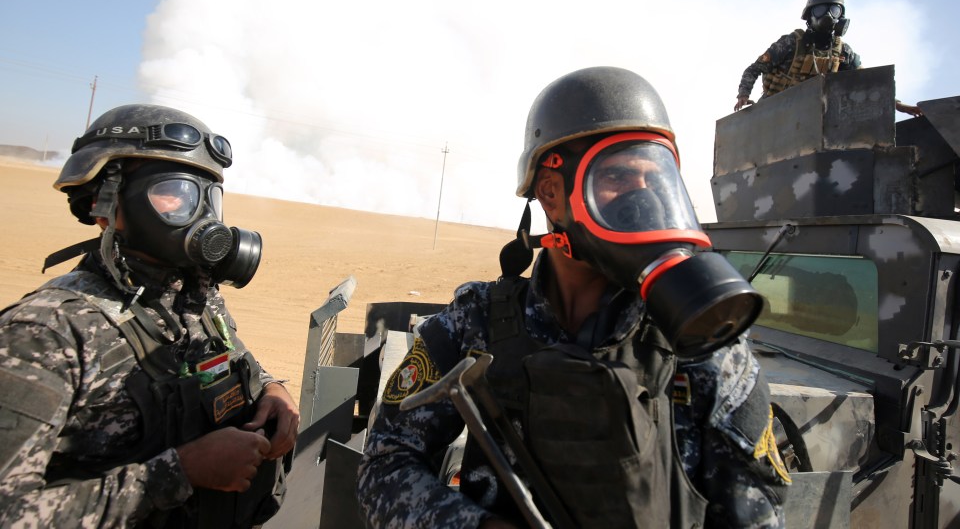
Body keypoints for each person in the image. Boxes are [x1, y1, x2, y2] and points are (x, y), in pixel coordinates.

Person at [357, 66, 791, 528]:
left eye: (655, 178)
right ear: (551, 193)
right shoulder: (474, 322)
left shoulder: (705, 341)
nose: (643, 199)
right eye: (619, 176)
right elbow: (385, 464)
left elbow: (757, 507)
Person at [0, 104, 300, 527]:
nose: (202, 215)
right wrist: (179, 473)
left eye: (208, 196)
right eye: (176, 192)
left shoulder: (195, 296)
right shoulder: (45, 334)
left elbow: (225, 360)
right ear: (105, 203)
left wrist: (272, 390)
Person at [735, 0, 923, 117]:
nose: (828, 15)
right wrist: (743, 95)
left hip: (814, 118)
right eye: (820, 10)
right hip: (774, 112)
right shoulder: (791, 43)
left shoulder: (843, 52)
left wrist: (897, 104)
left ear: (841, 16)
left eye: (834, 9)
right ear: (809, 15)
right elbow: (754, 69)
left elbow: (867, 83)